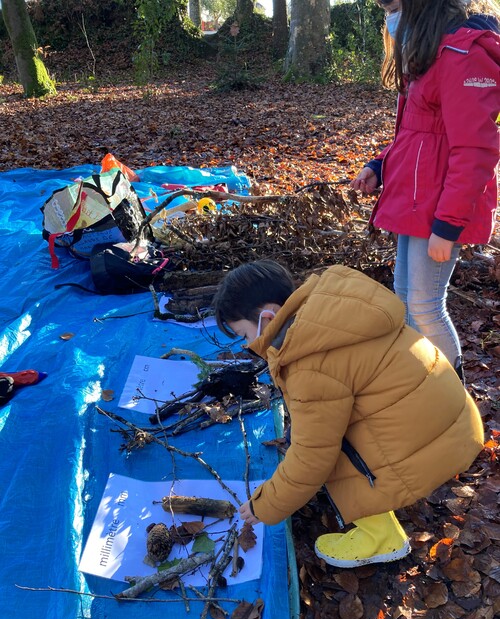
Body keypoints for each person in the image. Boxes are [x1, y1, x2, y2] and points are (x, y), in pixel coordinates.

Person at [212, 259, 484, 568]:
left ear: (267, 317)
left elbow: (312, 457)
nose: (249, 346)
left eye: (245, 335)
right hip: (453, 422)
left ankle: (381, 539)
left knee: (331, 448)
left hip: (434, 443)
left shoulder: (309, 360)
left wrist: (266, 505)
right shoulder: (327, 310)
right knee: (323, 429)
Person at [351, 0, 500, 380]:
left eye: (394, 6)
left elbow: (476, 150)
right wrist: (380, 165)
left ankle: (454, 400)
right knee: (405, 298)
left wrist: (448, 226)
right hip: (415, 203)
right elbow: (416, 133)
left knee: (426, 304)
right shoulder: (427, 53)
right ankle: (425, 392)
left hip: (440, 210)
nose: (389, 16)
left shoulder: (461, 54)